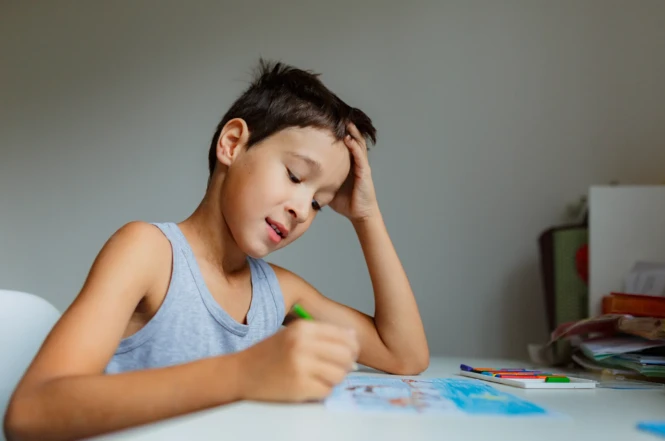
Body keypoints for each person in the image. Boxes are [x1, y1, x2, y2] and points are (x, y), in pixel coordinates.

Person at [4, 60, 429, 441]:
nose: (302, 208)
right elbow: (30, 411)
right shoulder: (148, 254)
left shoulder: (280, 292)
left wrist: (366, 215)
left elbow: (405, 354)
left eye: (319, 203)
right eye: (296, 176)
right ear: (232, 143)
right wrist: (245, 373)